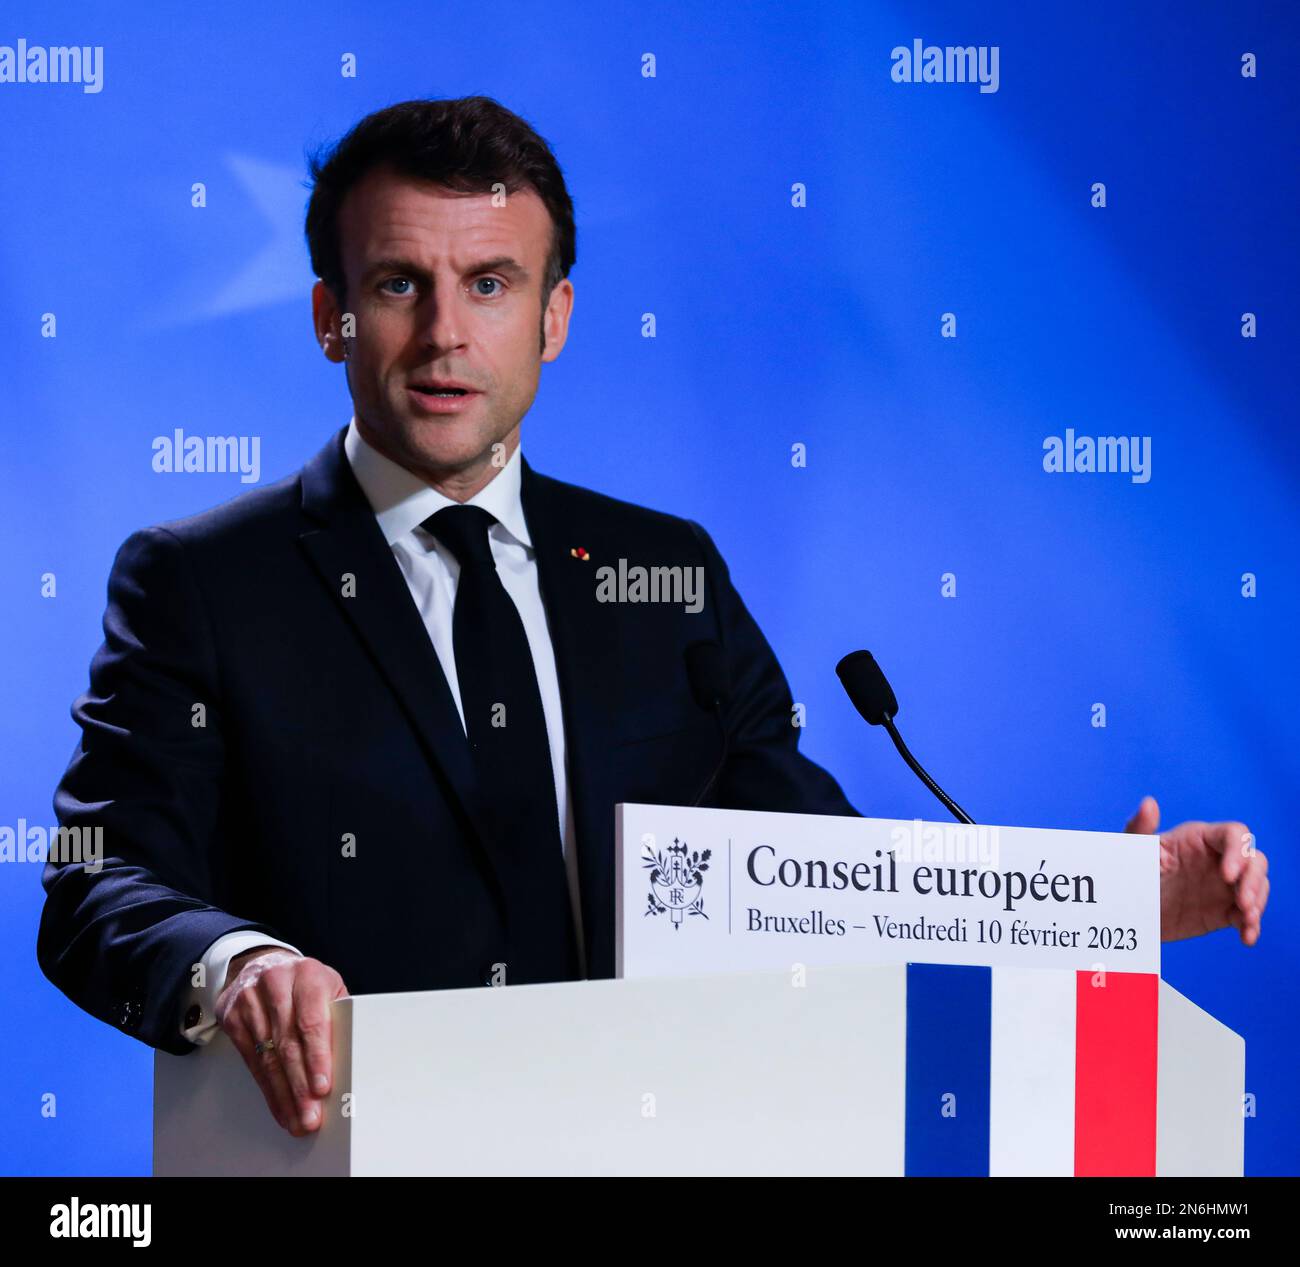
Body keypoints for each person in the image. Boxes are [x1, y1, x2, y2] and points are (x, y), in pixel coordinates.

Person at [37, 96, 1270, 1141]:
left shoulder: (662, 570)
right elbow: (100, 883)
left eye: (490, 283)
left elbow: (820, 876)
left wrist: (1093, 906)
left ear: (555, 318)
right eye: (399, 283)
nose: (446, 333)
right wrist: (237, 964)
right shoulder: (202, 581)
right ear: (331, 316)